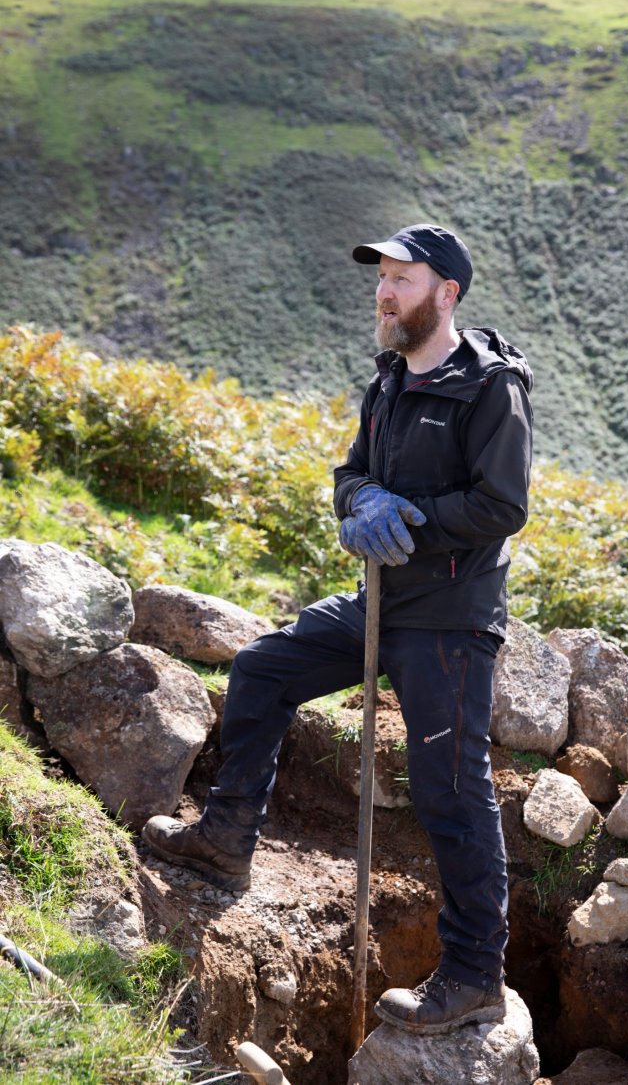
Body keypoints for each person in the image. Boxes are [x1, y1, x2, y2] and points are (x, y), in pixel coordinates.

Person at [142, 223, 533, 1036]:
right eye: (381, 278)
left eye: (402, 279)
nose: (384, 293)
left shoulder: (490, 387)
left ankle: (473, 976)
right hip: (379, 604)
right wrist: (360, 502)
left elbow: (504, 505)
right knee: (260, 669)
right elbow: (350, 472)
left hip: (449, 623)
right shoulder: (389, 377)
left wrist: (412, 518)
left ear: (447, 293)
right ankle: (226, 837)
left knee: (452, 793)